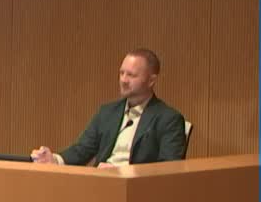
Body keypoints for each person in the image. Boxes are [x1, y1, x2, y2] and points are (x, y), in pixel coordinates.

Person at [32, 48, 187, 166]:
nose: (124, 80)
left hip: (138, 192)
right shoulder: (107, 112)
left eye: (131, 75)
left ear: (151, 80)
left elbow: (168, 168)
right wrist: (55, 159)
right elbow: (83, 149)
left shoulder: (169, 119)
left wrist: (121, 172)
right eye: (121, 73)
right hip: (102, 185)